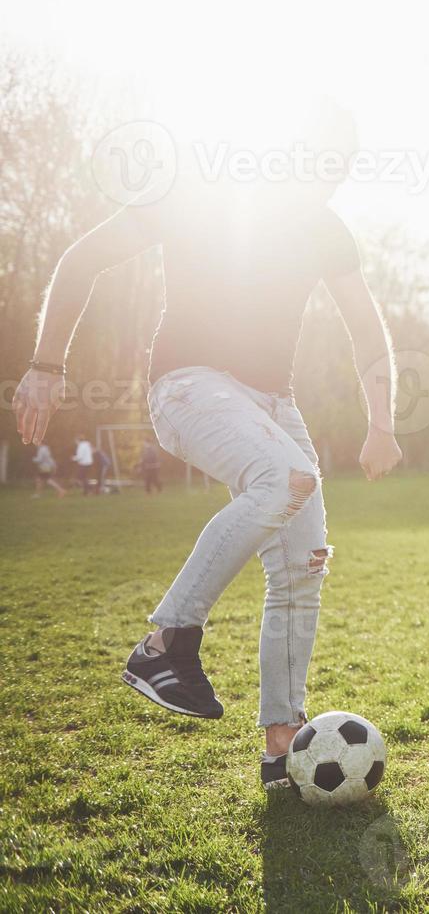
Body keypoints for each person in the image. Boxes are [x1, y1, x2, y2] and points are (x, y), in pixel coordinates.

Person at [12, 104, 403, 789]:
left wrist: (383, 422)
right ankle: (165, 642)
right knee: (286, 476)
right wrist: (46, 367)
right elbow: (82, 260)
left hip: (273, 402)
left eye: (339, 167)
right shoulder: (194, 189)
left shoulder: (326, 229)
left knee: (304, 563)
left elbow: (366, 331)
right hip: (188, 387)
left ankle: (281, 748)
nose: (327, 177)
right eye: (317, 158)